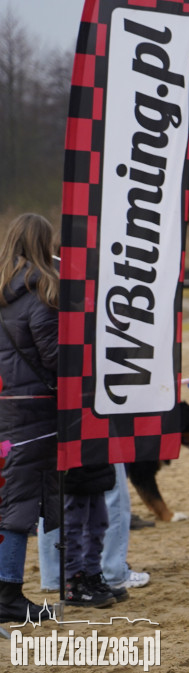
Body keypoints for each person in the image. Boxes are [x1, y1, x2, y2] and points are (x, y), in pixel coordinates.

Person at [0, 214, 61, 622]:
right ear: (44, 243)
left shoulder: (3, 292)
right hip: (33, 411)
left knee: (7, 502)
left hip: (5, 407)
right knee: (19, 509)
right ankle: (7, 597)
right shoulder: (40, 292)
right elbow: (54, 359)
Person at [62, 461, 123, 607]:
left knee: (99, 522)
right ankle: (74, 582)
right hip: (74, 461)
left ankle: (92, 575)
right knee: (73, 523)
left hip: (95, 458)